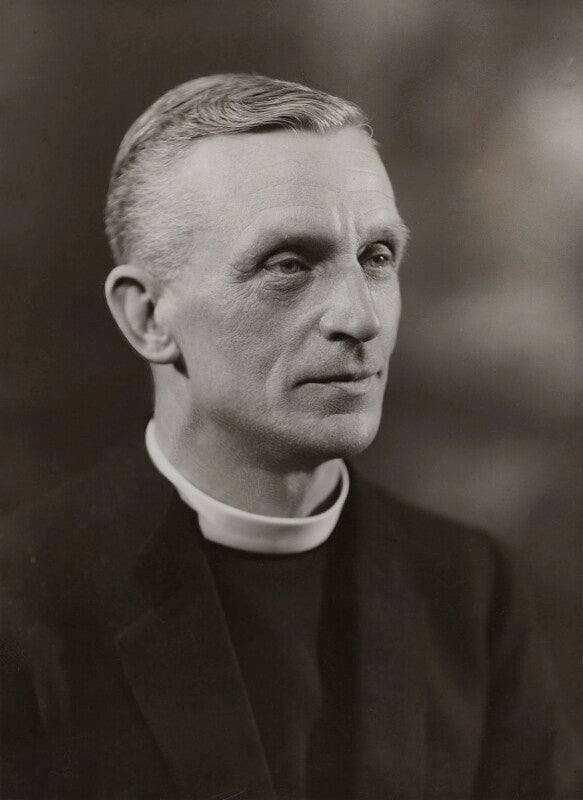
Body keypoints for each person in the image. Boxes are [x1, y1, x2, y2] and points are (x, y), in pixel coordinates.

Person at [0, 74, 580, 800]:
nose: (361, 319)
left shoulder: (469, 589)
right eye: (288, 265)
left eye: (376, 257)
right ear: (147, 317)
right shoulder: (21, 605)